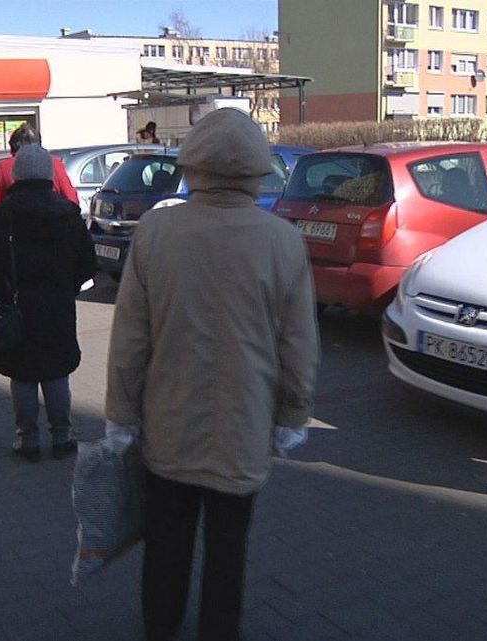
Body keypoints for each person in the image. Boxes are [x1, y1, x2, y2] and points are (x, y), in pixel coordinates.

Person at [105, 108, 319, 641]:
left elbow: (131, 335)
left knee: (166, 544)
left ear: (192, 166)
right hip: (242, 428)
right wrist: (294, 413)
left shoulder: (156, 231)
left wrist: (121, 413)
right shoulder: (282, 240)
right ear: (256, 172)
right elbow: (298, 343)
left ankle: (160, 628)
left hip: (169, 424)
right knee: (229, 552)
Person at [0, 144, 96, 462]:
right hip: (58, 307)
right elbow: (88, 263)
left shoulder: (4, 215)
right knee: (56, 371)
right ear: (49, 175)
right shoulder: (68, 213)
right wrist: (67, 286)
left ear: (18, 174)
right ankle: (63, 437)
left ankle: (27, 441)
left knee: (22, 374)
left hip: (15, 305)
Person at [0, 123, 78, 210]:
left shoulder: (2, 168)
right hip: (51, 220)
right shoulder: (55, 164)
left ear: (13, 146)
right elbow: (72, 199)